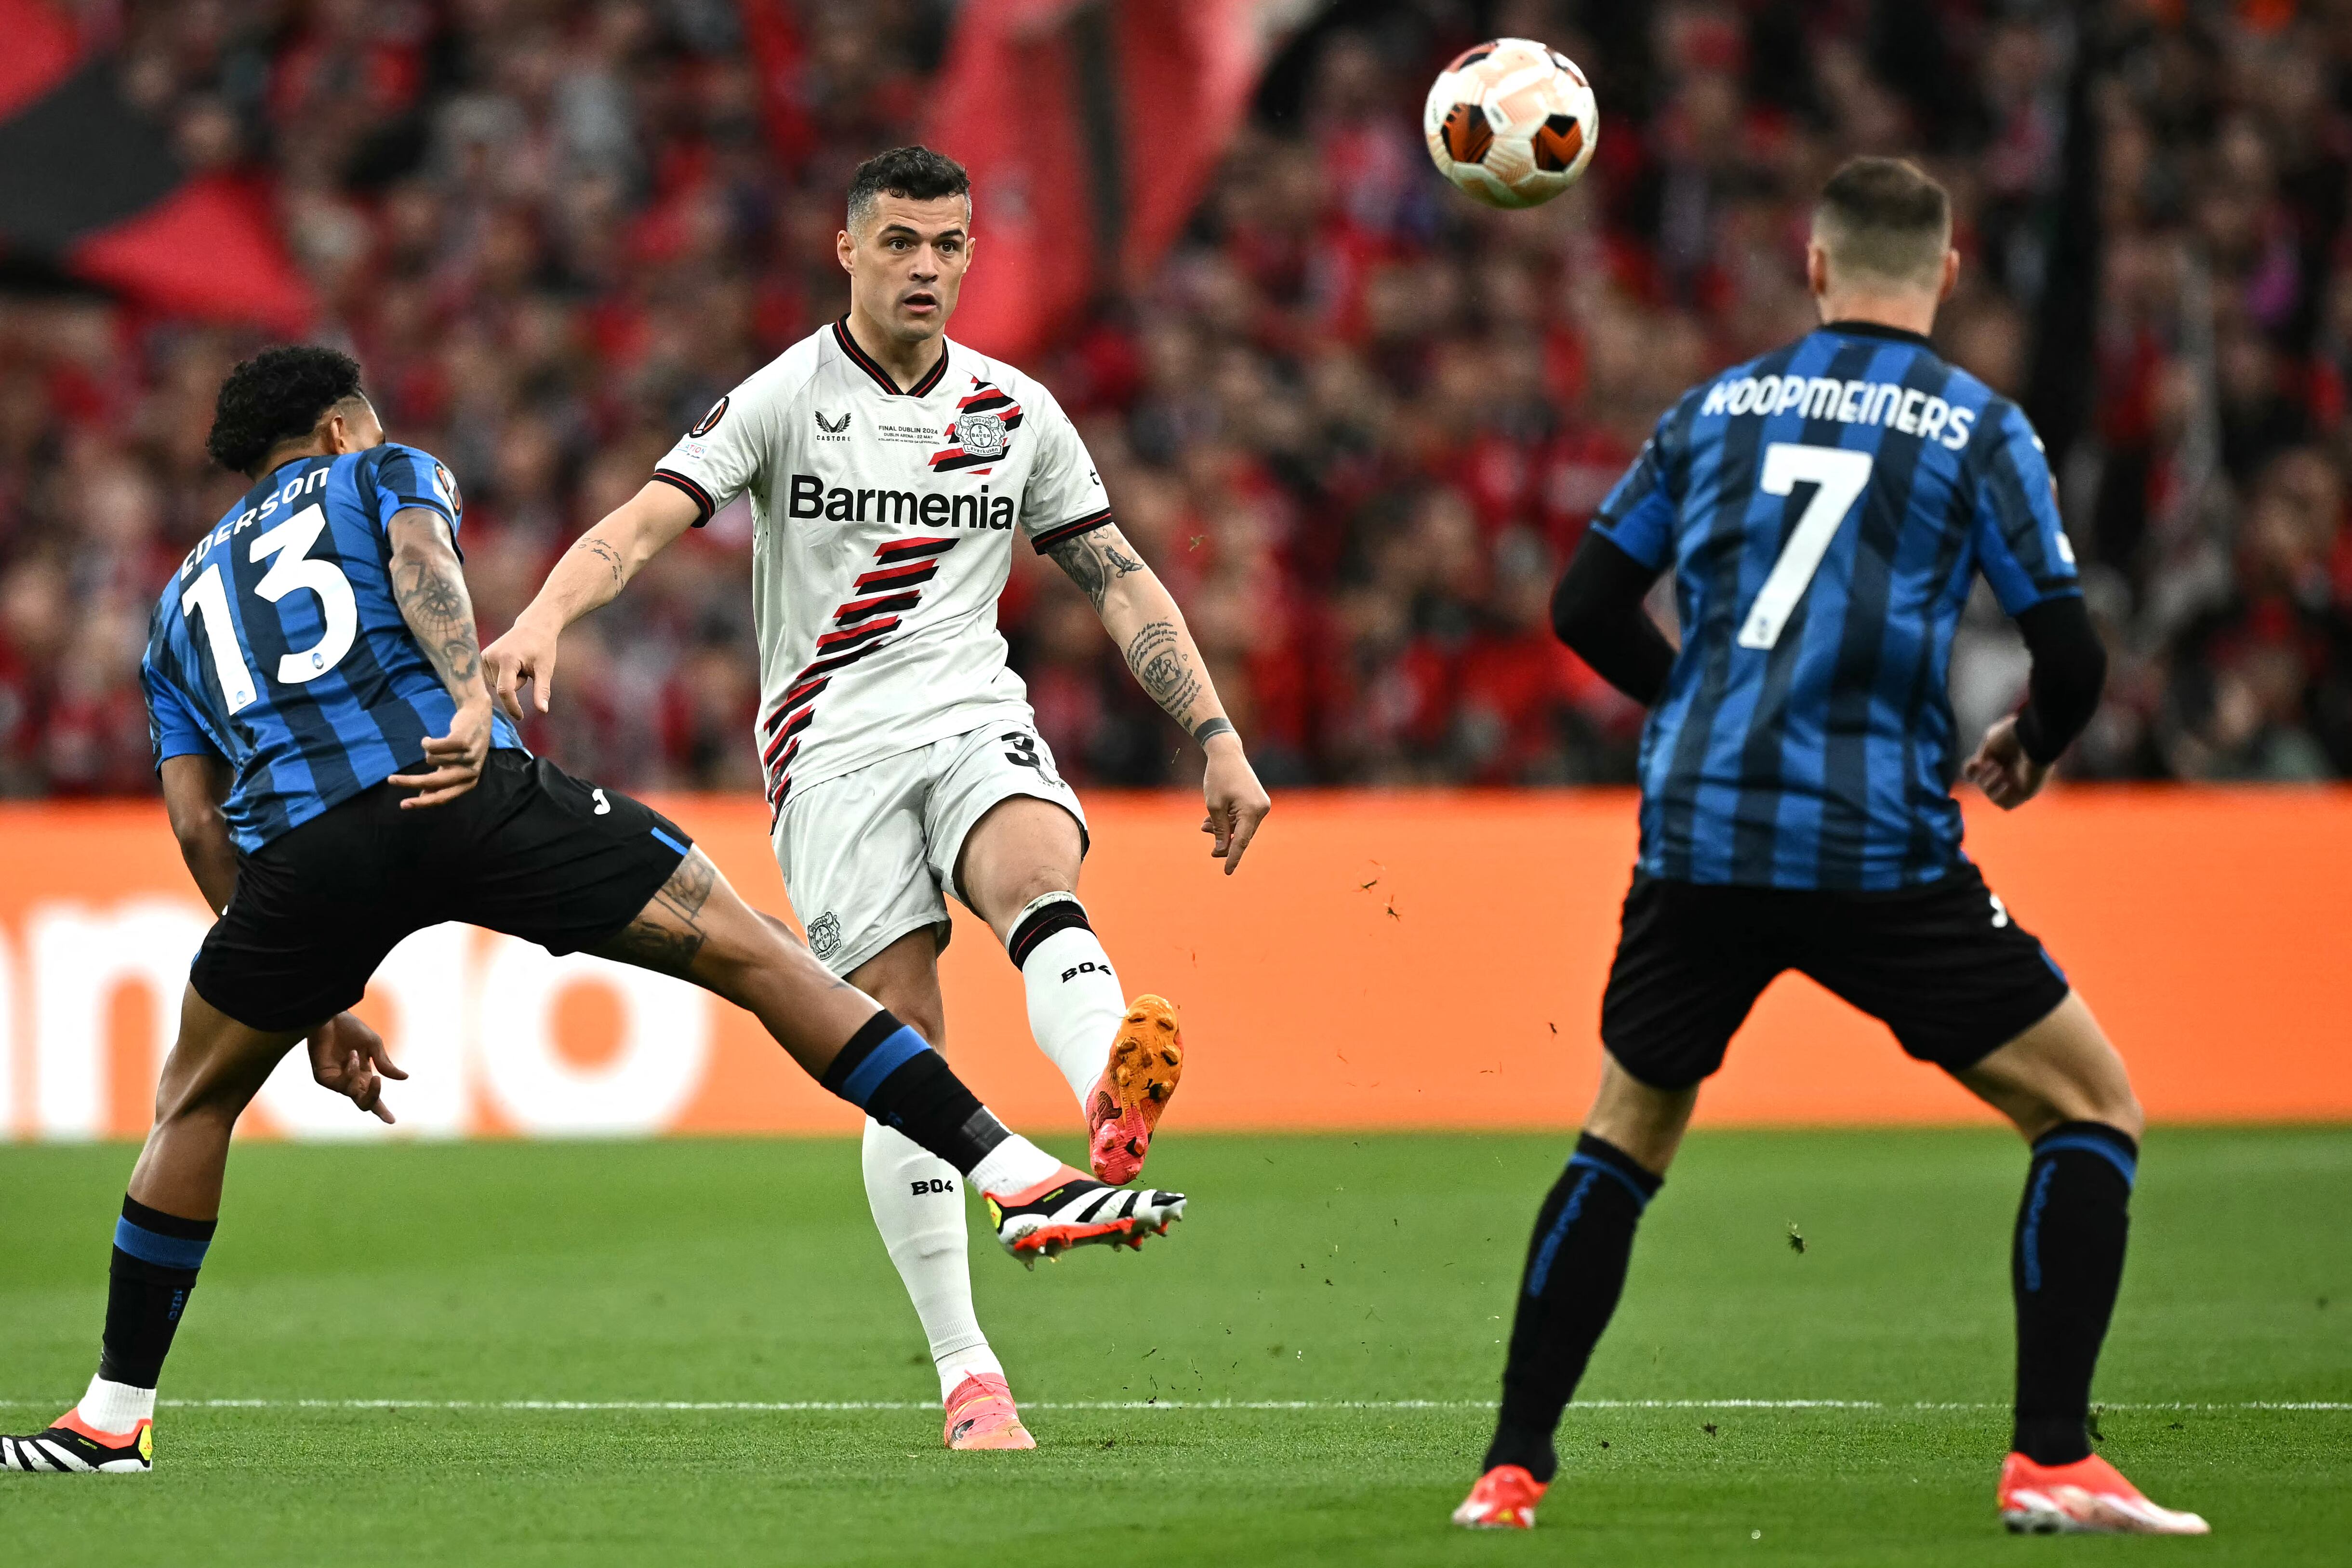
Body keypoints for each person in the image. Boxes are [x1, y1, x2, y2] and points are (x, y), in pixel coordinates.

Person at [0, 346, 1181, 1477]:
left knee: (192, 1100)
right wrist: (470, 696)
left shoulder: (173, 606)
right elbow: (422, 560)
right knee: (752, 952)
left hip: (302, 858)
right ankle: (1015, 1173)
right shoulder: (379, 466)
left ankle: (112, 1419)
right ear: (334, 428)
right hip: (468, 789)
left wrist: (316, 1002)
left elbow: (198, 820)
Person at [1450, 159, 2207, 1537]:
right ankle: (2049, 1455)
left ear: (1812, 268)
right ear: (1949, 273)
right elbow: (2074, 652)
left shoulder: (1714, 408)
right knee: (2090, 1110)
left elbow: (1583, 601)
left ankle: (1508, 1470)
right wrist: (2028, 750)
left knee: (1624, 1133)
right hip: (1874, 842)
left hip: (1699, 831)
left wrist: (1692, 697)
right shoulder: (1976, 427)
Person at [485, 146, 1270, 1451]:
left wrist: (1216, 729)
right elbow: (639, 519)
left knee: (1035, 873)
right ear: (846, 250)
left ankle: (1104, 1112)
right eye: (899, 242)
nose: (924, 266)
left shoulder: (1015, 411)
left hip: (972, 713)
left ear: (971, 255)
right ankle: (971, 1371)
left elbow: (1122, 577)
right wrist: (543, 615)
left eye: (947, 244)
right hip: (828, 750)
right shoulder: (785, 396)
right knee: (905, 1033)